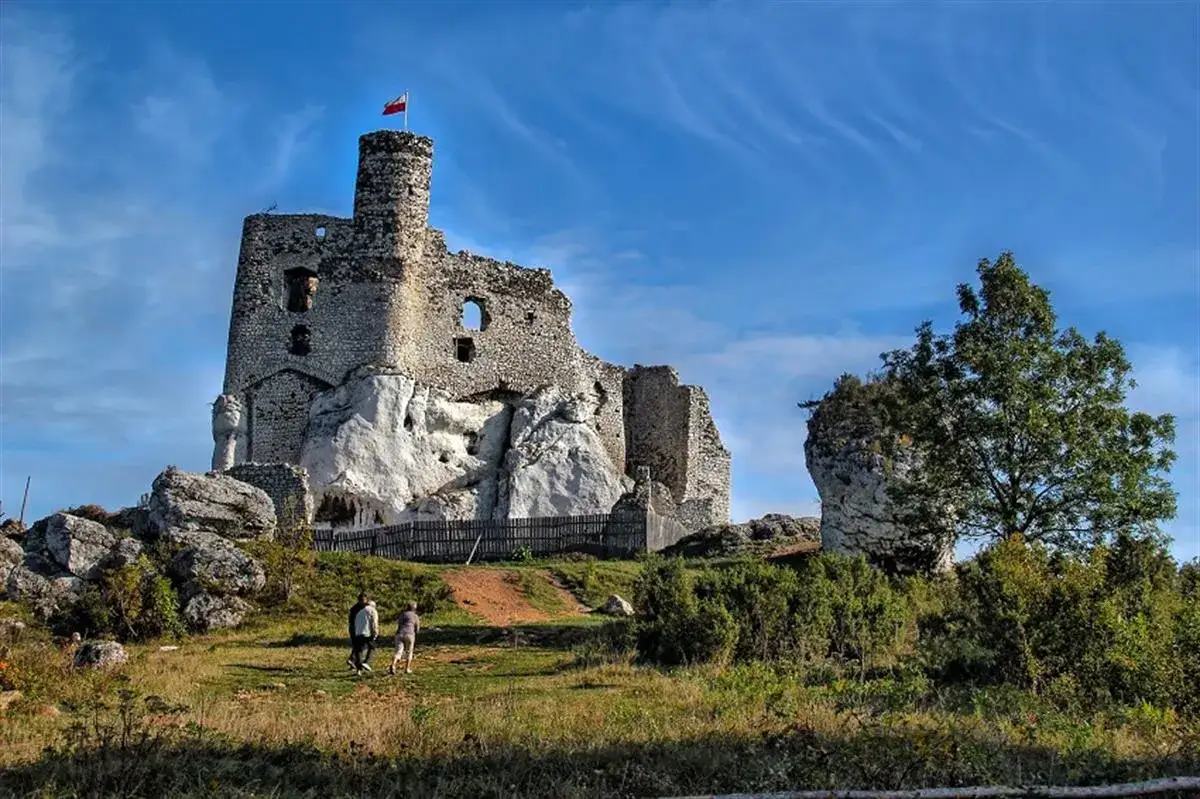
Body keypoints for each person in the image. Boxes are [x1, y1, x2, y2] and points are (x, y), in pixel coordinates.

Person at [388, 601, 421, 675]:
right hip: (410, 634)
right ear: (414, 608)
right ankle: (407, 668)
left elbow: (399, 624)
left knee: (398, 651)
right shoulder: (415, 616)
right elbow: (417, 628)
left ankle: (393, 665)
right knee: (409, 652)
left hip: (400, 634)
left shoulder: (402, 615)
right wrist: (415, 632)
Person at [349, 595, 379, 674]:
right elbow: (374, 623)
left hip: (357, 633)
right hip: (367, 633)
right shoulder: (373, 611)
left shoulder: (359, 612)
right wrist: (375, 633)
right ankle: (367, 662)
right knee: (372, 647)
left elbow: (354, 623)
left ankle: (359, 669)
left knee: (359, 650)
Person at [346, 592, 367, 670]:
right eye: (364, 600)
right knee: (360, 646)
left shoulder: (353, 608)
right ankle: (353, 660)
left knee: (356, 646)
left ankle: (353, 662)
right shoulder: (361, 608)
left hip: (353, 628)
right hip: (357, 629)